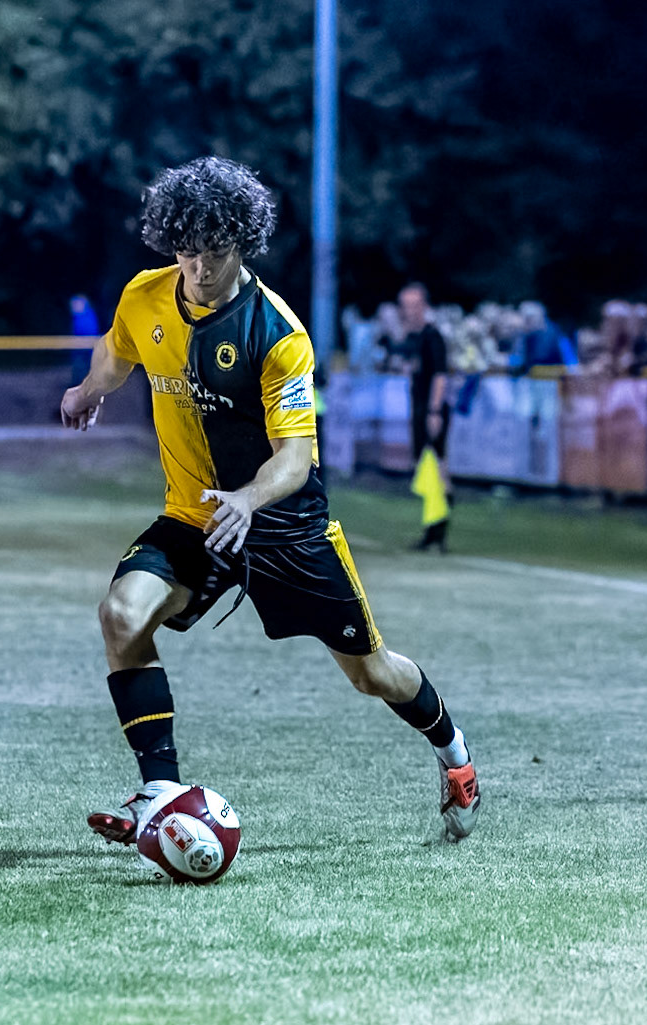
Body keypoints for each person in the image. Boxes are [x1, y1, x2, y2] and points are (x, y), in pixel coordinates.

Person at [58, 156, 480, 852]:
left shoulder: (277, 334)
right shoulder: (146, 296)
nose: (199, 267)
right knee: (121, 614)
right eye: (186, 251)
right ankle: (160, 790)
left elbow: (295, 457)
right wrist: (87, 391)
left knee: (370, 672)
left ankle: (454, 751)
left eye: (215, 251)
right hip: (197, 518)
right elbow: (115, 351)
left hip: (283, 526)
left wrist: (249, 499)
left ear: (243, 241)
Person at [396, 282, 452, 551]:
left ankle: (439, 533)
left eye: (413, 305)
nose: (408, 311)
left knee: (438, 467)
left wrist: (434, 411)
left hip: (432, 410)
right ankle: (431, 530)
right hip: (420, 410)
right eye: (405, 306)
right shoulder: (414, 338)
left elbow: (440, 375)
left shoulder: (433, 337)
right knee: (425, 469)